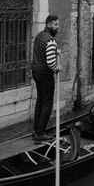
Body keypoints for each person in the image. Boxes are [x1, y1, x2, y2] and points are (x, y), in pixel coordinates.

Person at [31, 14, 61, 143]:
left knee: (40, 100)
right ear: (49, 25)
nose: (58, 27)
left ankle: (36, 129)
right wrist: (57, 68)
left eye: (58, 24)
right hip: (45, 74)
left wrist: (55, 51)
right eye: (56, 25)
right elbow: (50, 62)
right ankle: (40, 133)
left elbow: (43, 51)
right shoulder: (50, 40)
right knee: (47, 103)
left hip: (36, 72)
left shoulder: (40, 35)